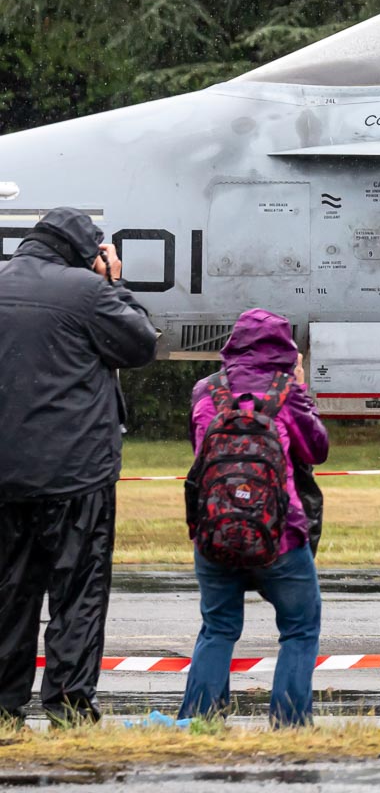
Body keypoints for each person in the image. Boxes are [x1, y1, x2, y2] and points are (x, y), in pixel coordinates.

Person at [0, 207, 158, 726]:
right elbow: (139, 344)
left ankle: (3, 704)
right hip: (77, 474)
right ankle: (68, 704)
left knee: (10, 591)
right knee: (78, 590)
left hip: (7, 474)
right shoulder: (89, 293)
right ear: (87, 251)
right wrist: (116, 282)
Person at [177, 310, 330, 726]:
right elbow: (316, 450)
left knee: (218, 627)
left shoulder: (206, 390)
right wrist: (300, 390)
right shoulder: (286, 392)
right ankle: (289, 723)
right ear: (284, 347)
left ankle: (199, 722)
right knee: (299, 627)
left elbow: (201, 451)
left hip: (214, 531)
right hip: (280, 536)